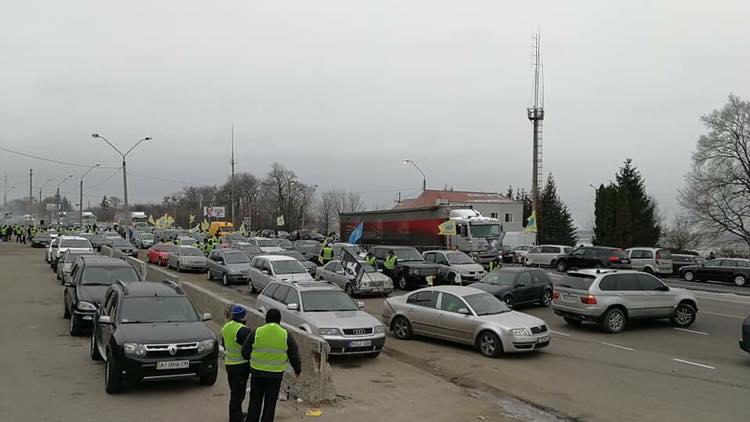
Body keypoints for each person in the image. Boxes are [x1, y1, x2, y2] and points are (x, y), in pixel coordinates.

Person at [241, 308, 301, 422]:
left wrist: (252, 360)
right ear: (279, 320)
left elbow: (245, 352)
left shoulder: (257, 332)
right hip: (275, 376)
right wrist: (297, 370)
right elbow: (294, 354)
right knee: (270, 404)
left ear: (266, 319)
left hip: (257, 373)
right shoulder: (285, 334)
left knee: (254, 402)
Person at [222, 305, 252, 422]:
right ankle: (235, 418)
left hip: (229, 364)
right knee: (238, 394)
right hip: (241, 366)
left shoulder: (225, 327)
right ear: (242, 317)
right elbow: (248, 348)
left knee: (235, 391)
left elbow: (224, 345)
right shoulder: (243, 330)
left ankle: (237, 414)